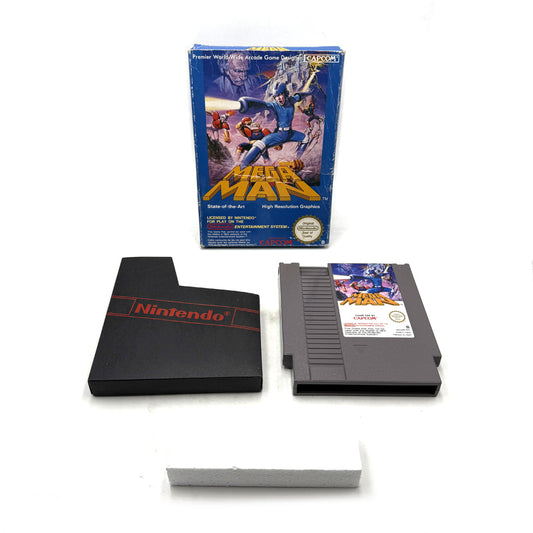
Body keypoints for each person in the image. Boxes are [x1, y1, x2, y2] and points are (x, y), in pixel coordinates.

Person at [238, 82, 310, 166]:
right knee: (260, 144)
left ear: (285, 93)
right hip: (280, 134)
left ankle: (297, 159)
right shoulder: (274, 105)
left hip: (290, 133)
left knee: (305, 139)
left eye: (280, 95)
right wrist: (246, 105)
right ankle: (242, 165)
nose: (278, 98)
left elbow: (300, 96)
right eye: (276, 96)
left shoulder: (291, 100)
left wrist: (309, 92)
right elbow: (263, 105)